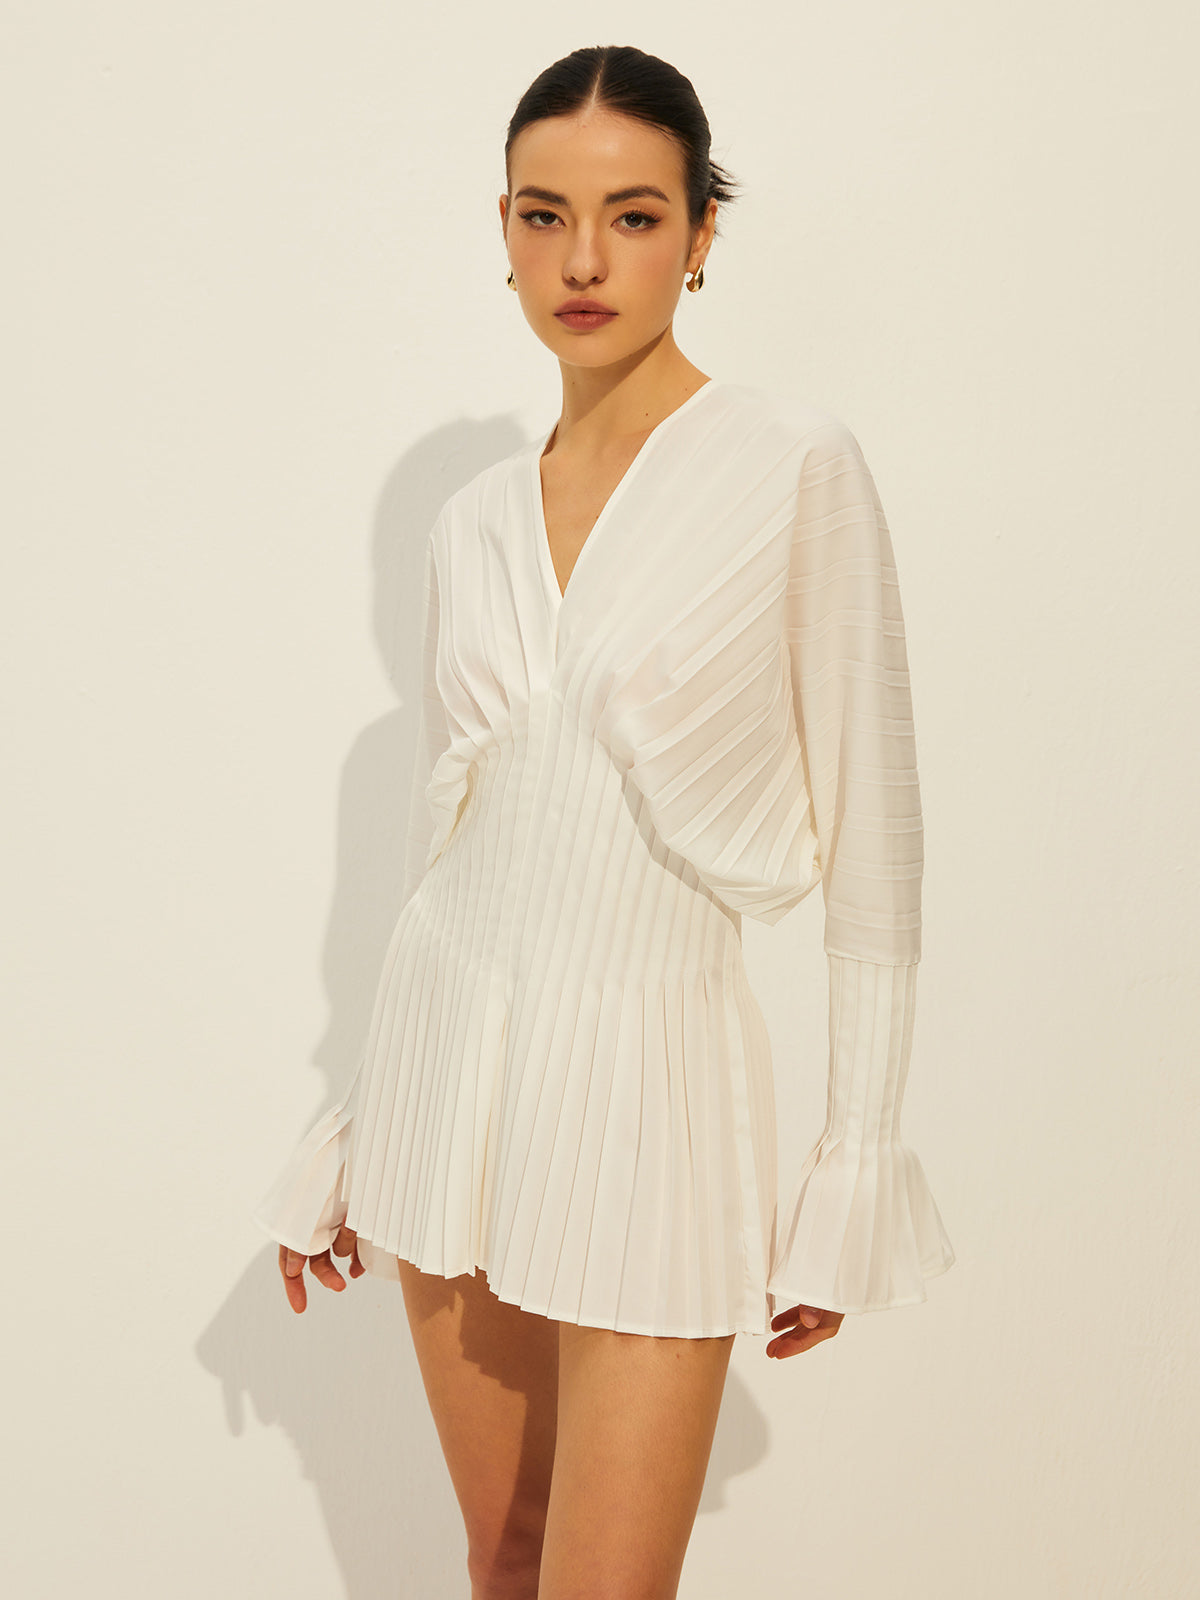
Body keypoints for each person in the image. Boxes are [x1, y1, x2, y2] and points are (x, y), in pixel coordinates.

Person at [253, 43, 955, 1600]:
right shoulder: (472, 526)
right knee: (504, 1560)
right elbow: (454, 850)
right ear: (502, 231)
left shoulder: (793, 466)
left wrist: (855, 1160)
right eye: (544, 215)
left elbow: (879, 849)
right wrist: (355, 1126)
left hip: (656, 1095)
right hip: (445, 1079)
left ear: (701, 234)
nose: (583, 260)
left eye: (633, 216)